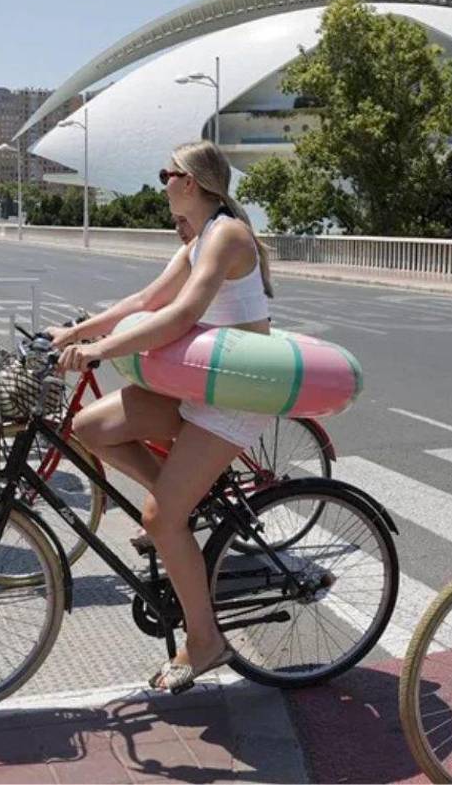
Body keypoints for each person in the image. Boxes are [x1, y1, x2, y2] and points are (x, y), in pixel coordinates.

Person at [48, 140, 274, 693]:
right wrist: (76, 333)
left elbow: (182, 314)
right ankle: (181, 504)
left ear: (190, 182)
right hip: (200, 382)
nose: (162, 183)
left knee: (158, 519)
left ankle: (206, 641)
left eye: (165, 173)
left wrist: (102, 350)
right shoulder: (199, 240)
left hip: (236, 394)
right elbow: (146, 298)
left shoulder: (228, 235)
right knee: (88, 429)